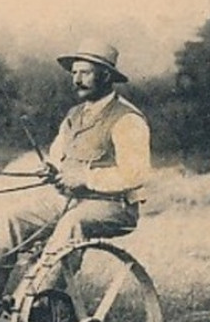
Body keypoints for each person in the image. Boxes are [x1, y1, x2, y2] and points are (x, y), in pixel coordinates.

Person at [8, 40, 150, 291]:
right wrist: (52, 168)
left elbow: (135, 174)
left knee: (72, 224)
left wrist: (86, 178)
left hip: (114, 206)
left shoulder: (127, 118)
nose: (77, 80)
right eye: (74, 73)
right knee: (12, 218)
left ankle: (38, 298)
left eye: (85, 73)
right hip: (69, 201)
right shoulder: (74, 115)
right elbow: (58, 153)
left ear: (106, 76)